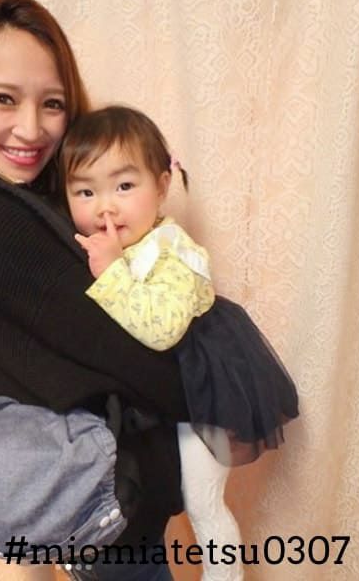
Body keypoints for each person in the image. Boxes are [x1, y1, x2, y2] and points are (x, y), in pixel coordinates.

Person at [0, 0, 191, 581]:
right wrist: (222, 396)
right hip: (107, 518)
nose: (31, 128)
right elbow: (138, 361)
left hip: (109, 505)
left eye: (52, 104)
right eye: (3, 98)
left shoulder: (41, 203)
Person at [60, 105, 300, 580]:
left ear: (162, 185)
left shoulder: (173, 251)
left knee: (201, 501)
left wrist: (110, 271)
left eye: (124, 186)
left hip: (203, 392)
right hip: (158, 396)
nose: (105, 207)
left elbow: (160, 328)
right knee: (155, 499)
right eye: (85, 192)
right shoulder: (104, 248)